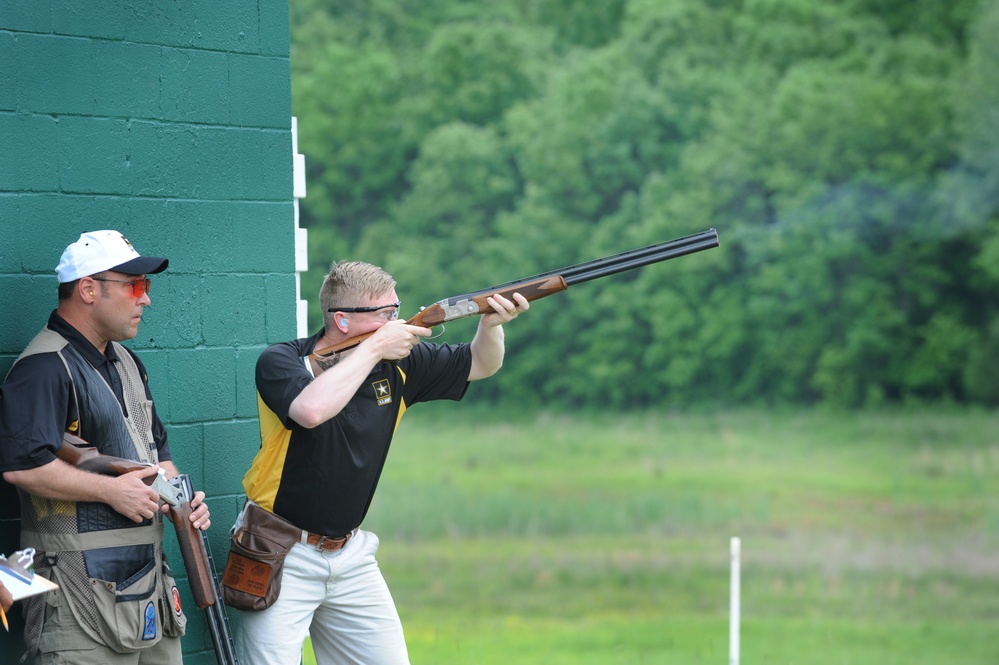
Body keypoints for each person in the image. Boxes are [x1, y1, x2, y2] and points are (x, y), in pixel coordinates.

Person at [233, 260, 529, 665]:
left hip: (351, 552)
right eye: (385, 315)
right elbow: (311, 410)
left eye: (396, 310)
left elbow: (482, 364)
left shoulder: (401, 363)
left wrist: (490, 325)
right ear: (342, 320)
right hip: (279, 548)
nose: (397, 322)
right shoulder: (282, 360)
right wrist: (374, 349)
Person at [0, 230, 212, 664]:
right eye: (135, 286)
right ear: (88, 289)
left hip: (144, 589)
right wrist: (110, 490)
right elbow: (21, 467)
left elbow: (159, 458)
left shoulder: (128, 361)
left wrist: (182, 501)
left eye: (146, 286)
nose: (145, 299)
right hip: (77, 599)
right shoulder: (44, 367)